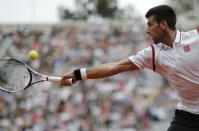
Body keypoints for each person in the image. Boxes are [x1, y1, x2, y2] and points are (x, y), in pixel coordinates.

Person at [60, 5, 199, 131]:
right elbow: (115, 67)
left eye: (150, 25)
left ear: (163, 24)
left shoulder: (195, 37)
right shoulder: (152, 54)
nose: (147, 30)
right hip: (187, 117)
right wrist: (78, 74)